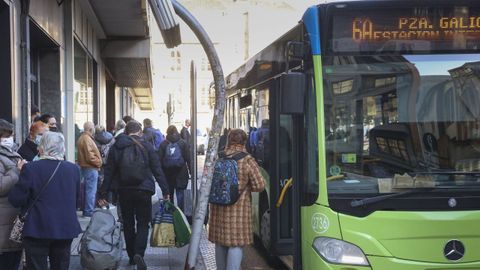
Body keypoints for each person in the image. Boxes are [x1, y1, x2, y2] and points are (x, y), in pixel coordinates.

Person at [98, 121, 170, 269]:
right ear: (140, 132)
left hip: (124, 190)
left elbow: (109, 171)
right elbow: (157, 170)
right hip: (144, 190)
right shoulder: (148, 146)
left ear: (126, 132)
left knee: (128, 224)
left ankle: (131, 256)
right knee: (143, 223)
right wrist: (166, 190)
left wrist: (103, 193)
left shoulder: (117, 146)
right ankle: (139, 253)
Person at [9, 132, 82, 270]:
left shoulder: (31, 169)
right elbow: (76, 199)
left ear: (41, 148)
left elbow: (16, 199)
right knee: (61, 265)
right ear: (63, 149)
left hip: (37, 227)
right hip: (65, 227)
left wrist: (18, 173)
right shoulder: (73, 169)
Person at [209, 129, 265, 270]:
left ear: (228, 140)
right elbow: (260, 185)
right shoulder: (247, 159)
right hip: (238, 210)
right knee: (236, 244)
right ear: (244, 141)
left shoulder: (218, 157)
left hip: (218, 208)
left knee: (220, 242)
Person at [0, 119, 24, 270]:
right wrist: (17, 171)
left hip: (12, 221)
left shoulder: (11, 154)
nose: (10, 139)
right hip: (3, 225)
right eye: (6, 135)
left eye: (11, 135)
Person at [158, 125, 190, 212]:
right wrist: (191, 172)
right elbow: (188, 158)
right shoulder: (183, 143)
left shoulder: (163, 144)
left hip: (167, 174)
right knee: (180, 195)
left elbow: (159, 161)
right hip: (181, 173)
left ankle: (170, 215)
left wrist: (159, 175)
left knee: (169, 195)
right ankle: (180, 214)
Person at [77, 121, 102, 217]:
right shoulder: (87, 139)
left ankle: (87, 210)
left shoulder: (83, 138)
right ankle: (88, 210)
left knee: (88, 190)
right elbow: (90, 156)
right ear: (91, 129)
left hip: (86, 167)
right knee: (91, 190)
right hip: (90, 167)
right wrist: (99, 162)